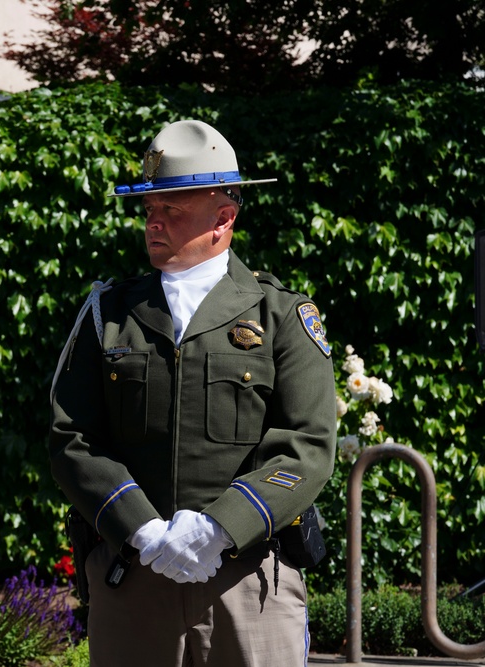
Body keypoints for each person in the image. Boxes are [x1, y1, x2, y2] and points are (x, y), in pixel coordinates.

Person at [48, 119, 337, 666]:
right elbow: (72, 437)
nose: (153, 223)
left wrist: (219, 528)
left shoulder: (283, 316)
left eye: (172, 211)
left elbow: (307, 446)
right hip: (133, 578)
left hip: (249, 586)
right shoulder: (108, 314)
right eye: (149, 210)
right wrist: (144, 530)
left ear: (223, 218)